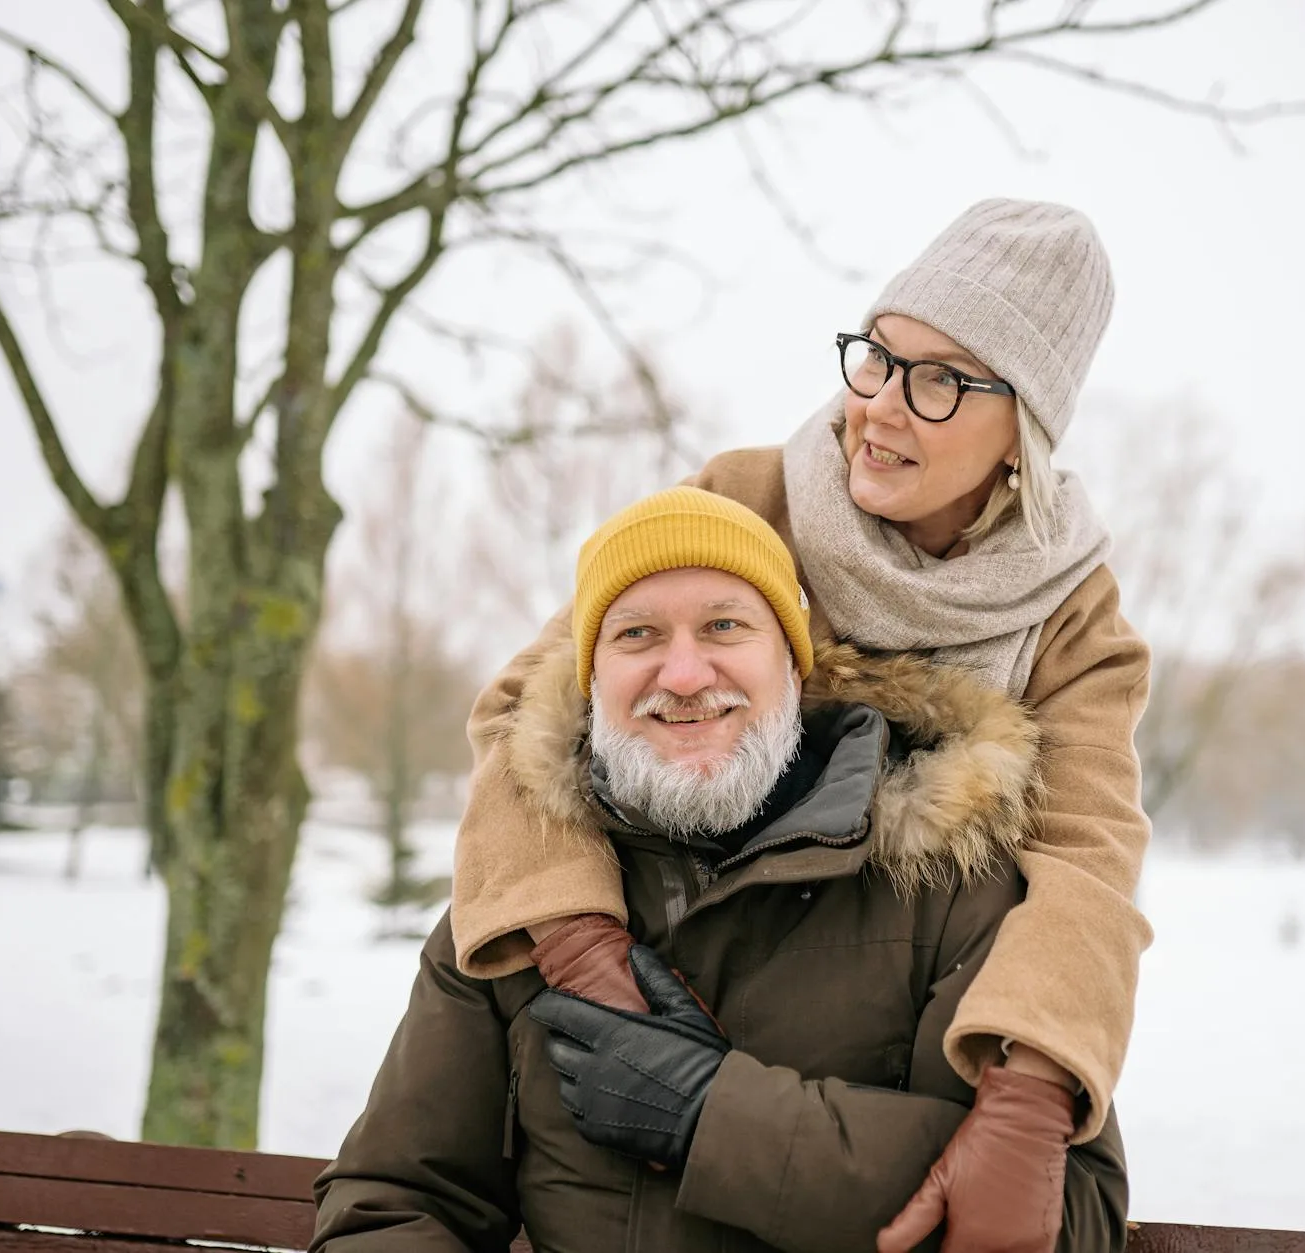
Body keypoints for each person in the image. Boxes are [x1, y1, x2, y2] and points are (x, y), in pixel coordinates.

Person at [451, 199, 1155, 1250]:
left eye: (941, 381)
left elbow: (1086, 859)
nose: (878, 407)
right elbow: (530, 711)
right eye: (876, 356)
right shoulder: (748, 499)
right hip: (678, 965)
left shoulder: (1069, 619)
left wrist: (1029, 1087)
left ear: (1027, 428)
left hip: (895, 1019)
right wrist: (575, 930)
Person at [311, 488, 1130, 1252]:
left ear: (796, 664)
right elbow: (396, 1200)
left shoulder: (953, 884)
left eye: (725, 627)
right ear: (591, 683)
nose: (684, 674)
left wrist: (712, 1115)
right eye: (636, 635)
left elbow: (1072, 1215)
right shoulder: (519, 903)